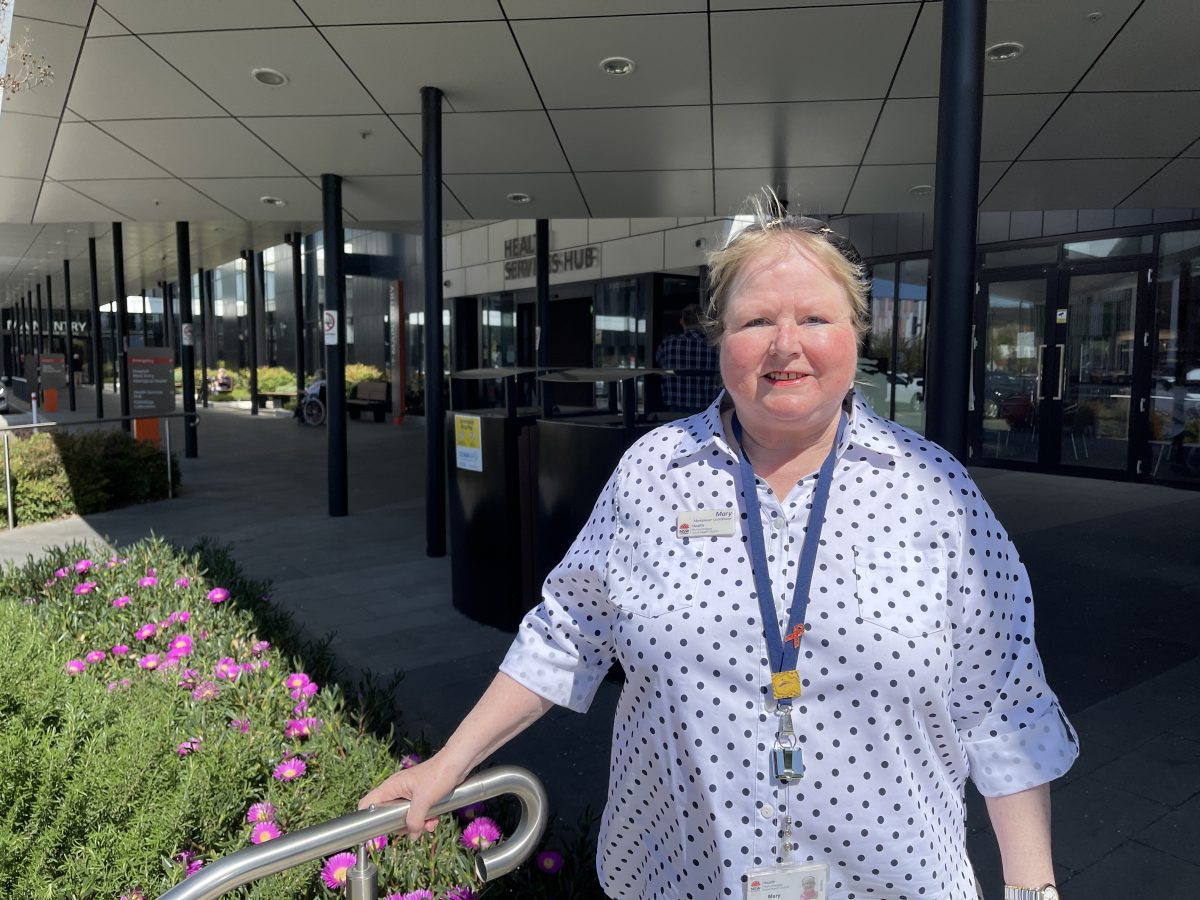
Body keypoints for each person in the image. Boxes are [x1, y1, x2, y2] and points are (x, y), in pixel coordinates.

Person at [362, 199, 1077, 900]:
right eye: (756, 320)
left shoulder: (934, 491)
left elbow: (1005, 704)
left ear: (858, 334)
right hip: (683, 874)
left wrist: (1031, 887)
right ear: (719, 336)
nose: (785, 344)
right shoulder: (654, 471)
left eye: (815, 318)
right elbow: (569, 631)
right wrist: (449, 765)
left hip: (888, 879)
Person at [655, 302, 722, 414]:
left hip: (675, 408)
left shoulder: (668, 344)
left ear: (682, 322)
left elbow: (659, 361)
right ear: (704, 323)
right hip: (708, 409)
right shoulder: (715, 346)